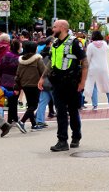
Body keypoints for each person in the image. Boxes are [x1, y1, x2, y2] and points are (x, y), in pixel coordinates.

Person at [38, 20, 88, 151]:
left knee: (72, 110)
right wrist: (42, 78)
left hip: (72, 83)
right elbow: (50, 62)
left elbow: (85, 63)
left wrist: (82, 83)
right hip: (57, 82)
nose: (52, 29)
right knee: (60, 111)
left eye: (54, 27)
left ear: (62, 28)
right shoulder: (54, 43)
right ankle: (62, 140)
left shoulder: (75, 42)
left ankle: (76, 136)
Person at [15, 41, 45, 131]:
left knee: (30, 105)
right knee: (34, 105)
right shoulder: (38, 59)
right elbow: (43, 71)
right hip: (35, 84)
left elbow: (18, 74)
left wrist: (17, 85)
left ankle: (33, 124)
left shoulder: (21, 60)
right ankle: (22, 121)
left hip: (25, 85)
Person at [84, 31, 109, 110]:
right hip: (103, 68)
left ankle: (95, 106)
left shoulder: (90, 46)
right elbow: (107, 49)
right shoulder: (104, 44)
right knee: (107, 84)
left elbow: (87, 58)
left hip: (93, 68)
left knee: (94, 87)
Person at [0, 39, 22, 130]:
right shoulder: (18, 58)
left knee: (9, 101)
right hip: (14, 81)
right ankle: (13, 119)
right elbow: (19, 71)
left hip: (4, 80)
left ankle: (10, 119)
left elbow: (0, 68)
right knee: (13, 101)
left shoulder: (6, 56)